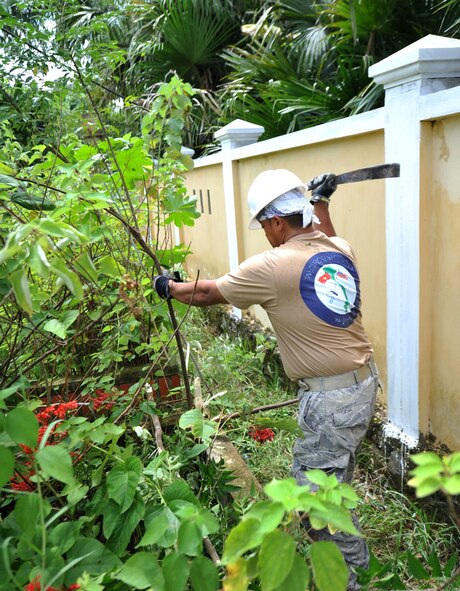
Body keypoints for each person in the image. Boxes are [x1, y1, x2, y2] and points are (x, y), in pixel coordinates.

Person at [154, 169, 379, 590]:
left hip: (331, 402)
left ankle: (341, 582)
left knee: (310, 503)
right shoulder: (338, 247)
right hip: (362, 385)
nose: (264, 234)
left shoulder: (272, 265)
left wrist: (170, 286)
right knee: (334, 485)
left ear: (276, 222)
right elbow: (323, 229)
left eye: (263, 225)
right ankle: (358, 563)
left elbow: (206, 293)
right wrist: (322, 202)